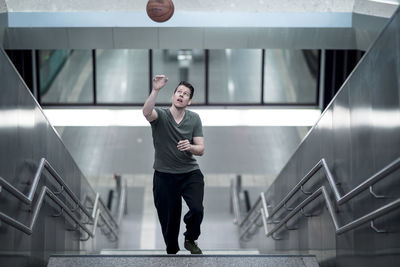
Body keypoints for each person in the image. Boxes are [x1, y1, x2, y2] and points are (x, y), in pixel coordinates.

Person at [142, 75, 205, 254]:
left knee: (197, 209)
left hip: (189, 173)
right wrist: (155, 90)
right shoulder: (160, 116)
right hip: (164, 175)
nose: (181, 95)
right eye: (179, 92)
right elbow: (147, 113)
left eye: (185, 94)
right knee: (169, 221)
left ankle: (190, 238)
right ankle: (172, 250)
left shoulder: (194, 119)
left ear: (189, 101)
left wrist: (190, 147)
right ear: (173, 95)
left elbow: (201, 149)